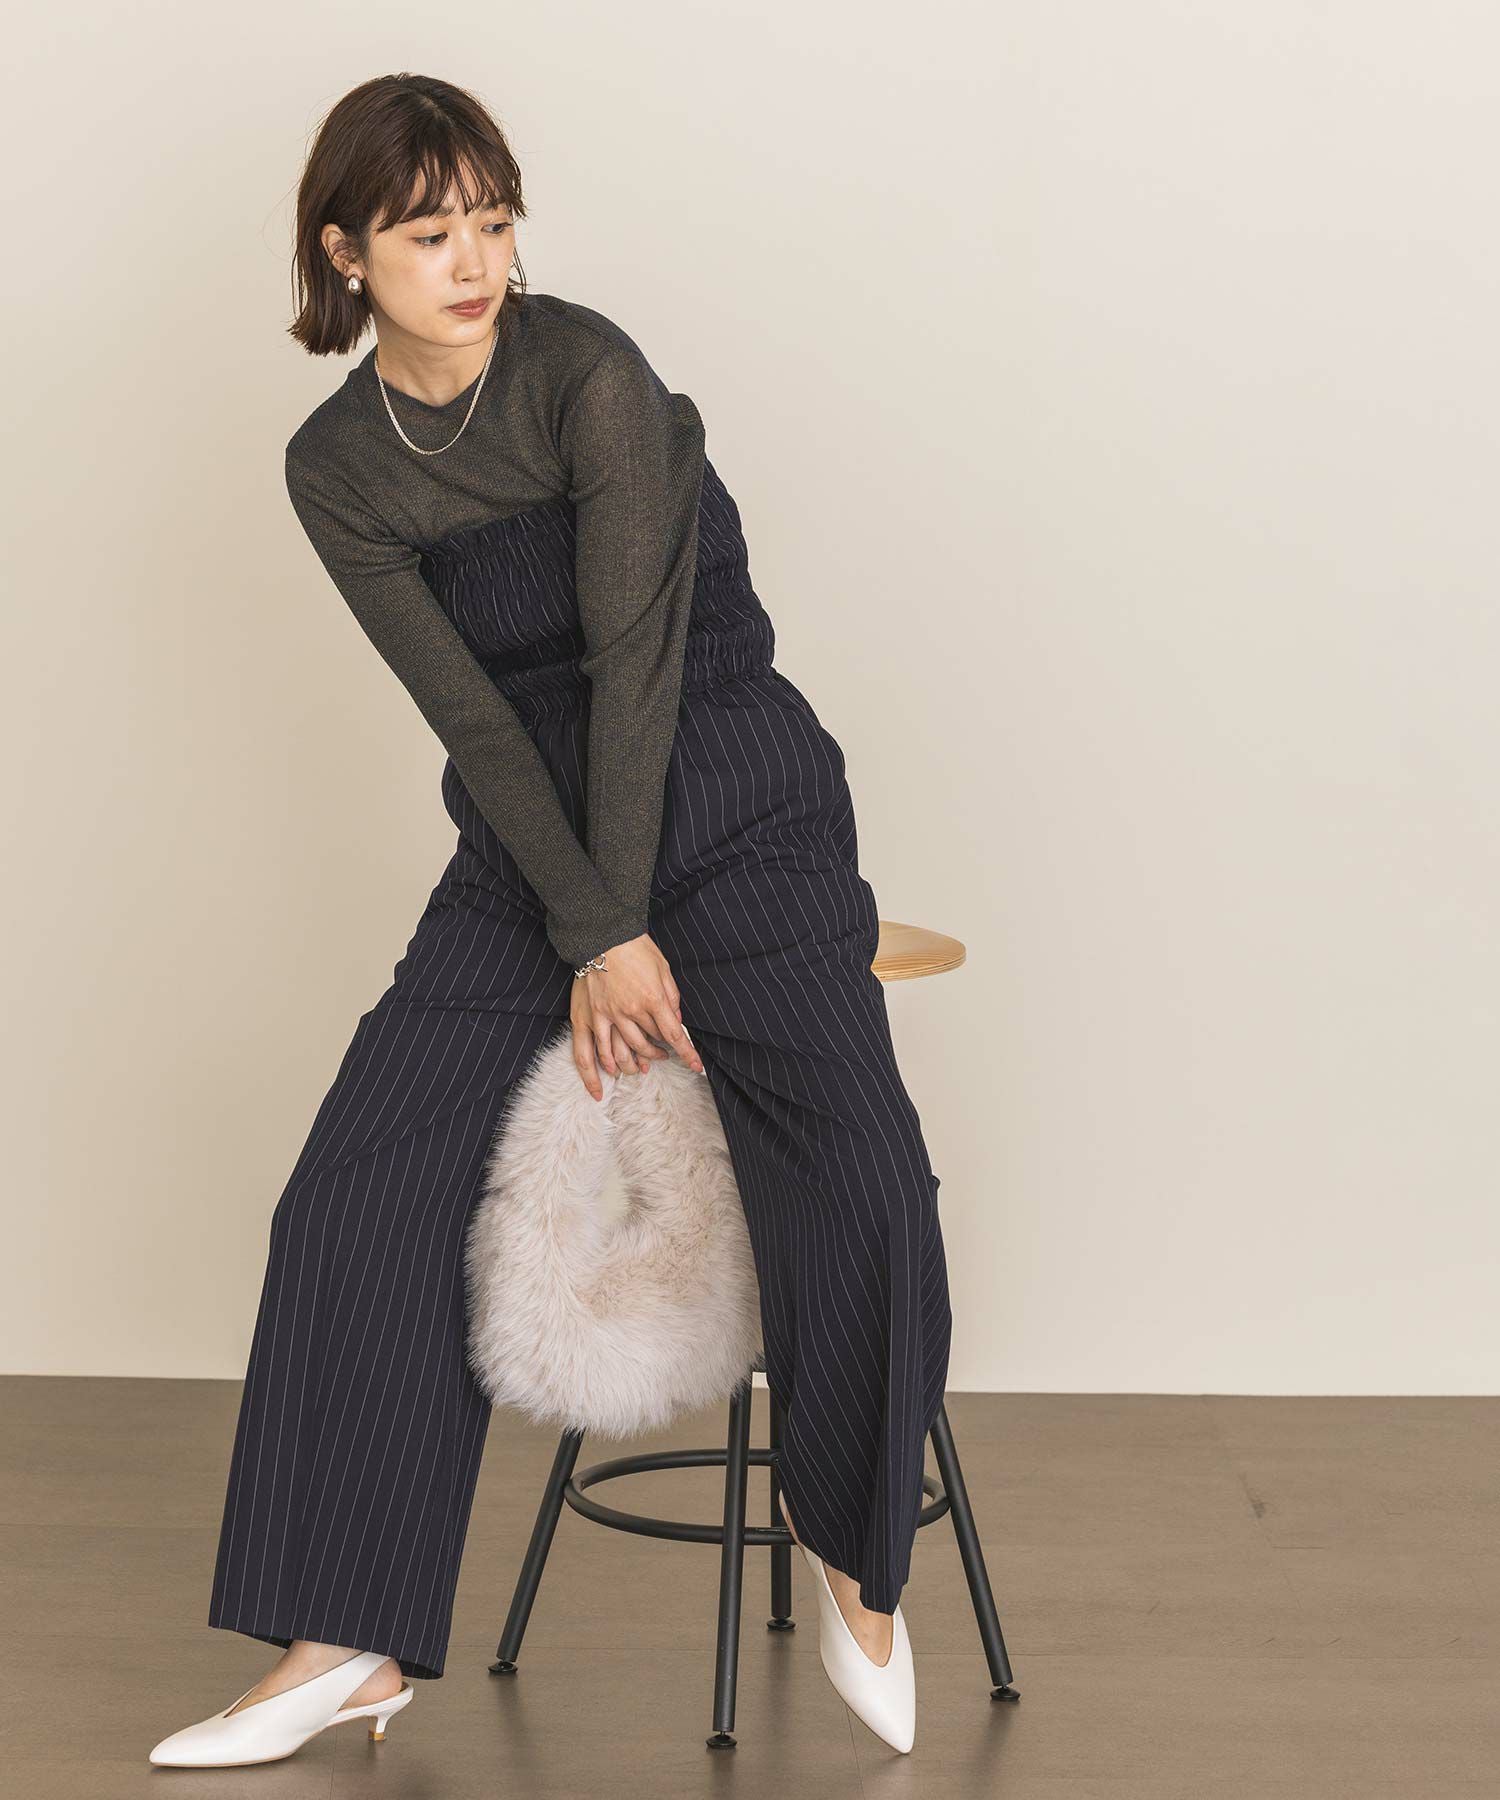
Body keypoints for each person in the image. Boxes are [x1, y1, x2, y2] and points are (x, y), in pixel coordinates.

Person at [149, 71, 951, 1769]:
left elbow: (634, 670)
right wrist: (592, 929)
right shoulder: (336, 465)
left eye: (494, 222)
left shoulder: (589, 372)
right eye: (430, 233)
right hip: (529, 839)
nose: (476, 263)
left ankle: (853, 1549)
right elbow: (477, 718)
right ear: (345, 254)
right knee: (355, 1186)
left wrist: (620, 928)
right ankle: (346, 1634)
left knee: (860, 1155)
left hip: (730, 783)